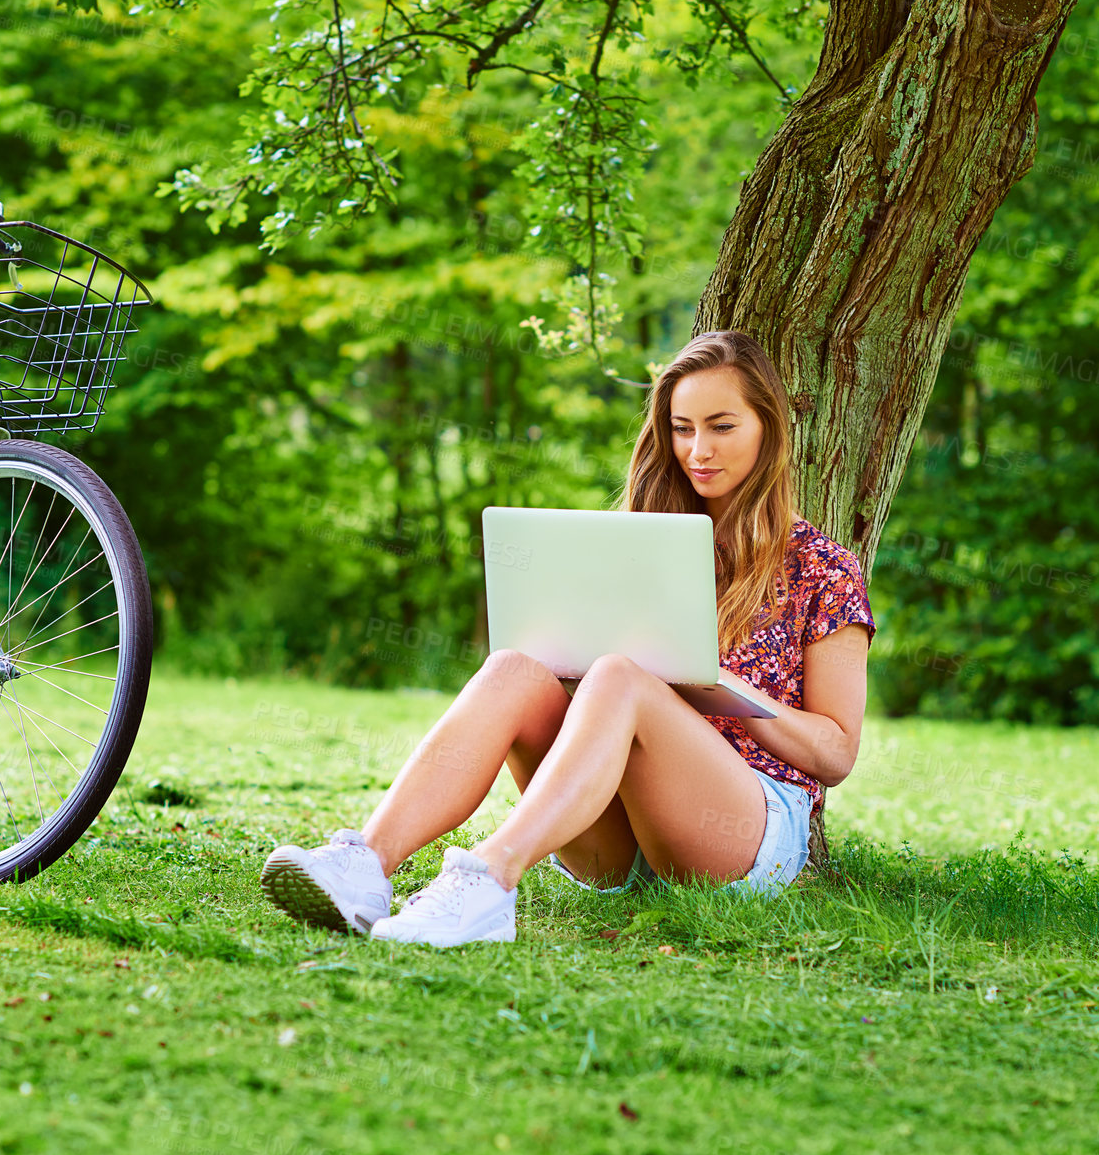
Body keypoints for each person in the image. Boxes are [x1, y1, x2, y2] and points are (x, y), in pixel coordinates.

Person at [260, 330, 877, 947]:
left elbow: (836, 753)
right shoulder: (631, 547)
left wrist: (731, 690)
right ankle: (366, 866)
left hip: (745, 830)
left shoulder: (824, 569)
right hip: (615, 830)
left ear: (768, 429)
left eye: (721, 427)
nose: (698, 450)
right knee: (514, 669)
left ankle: (488, 879)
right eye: (682, 428)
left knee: (620, 678)